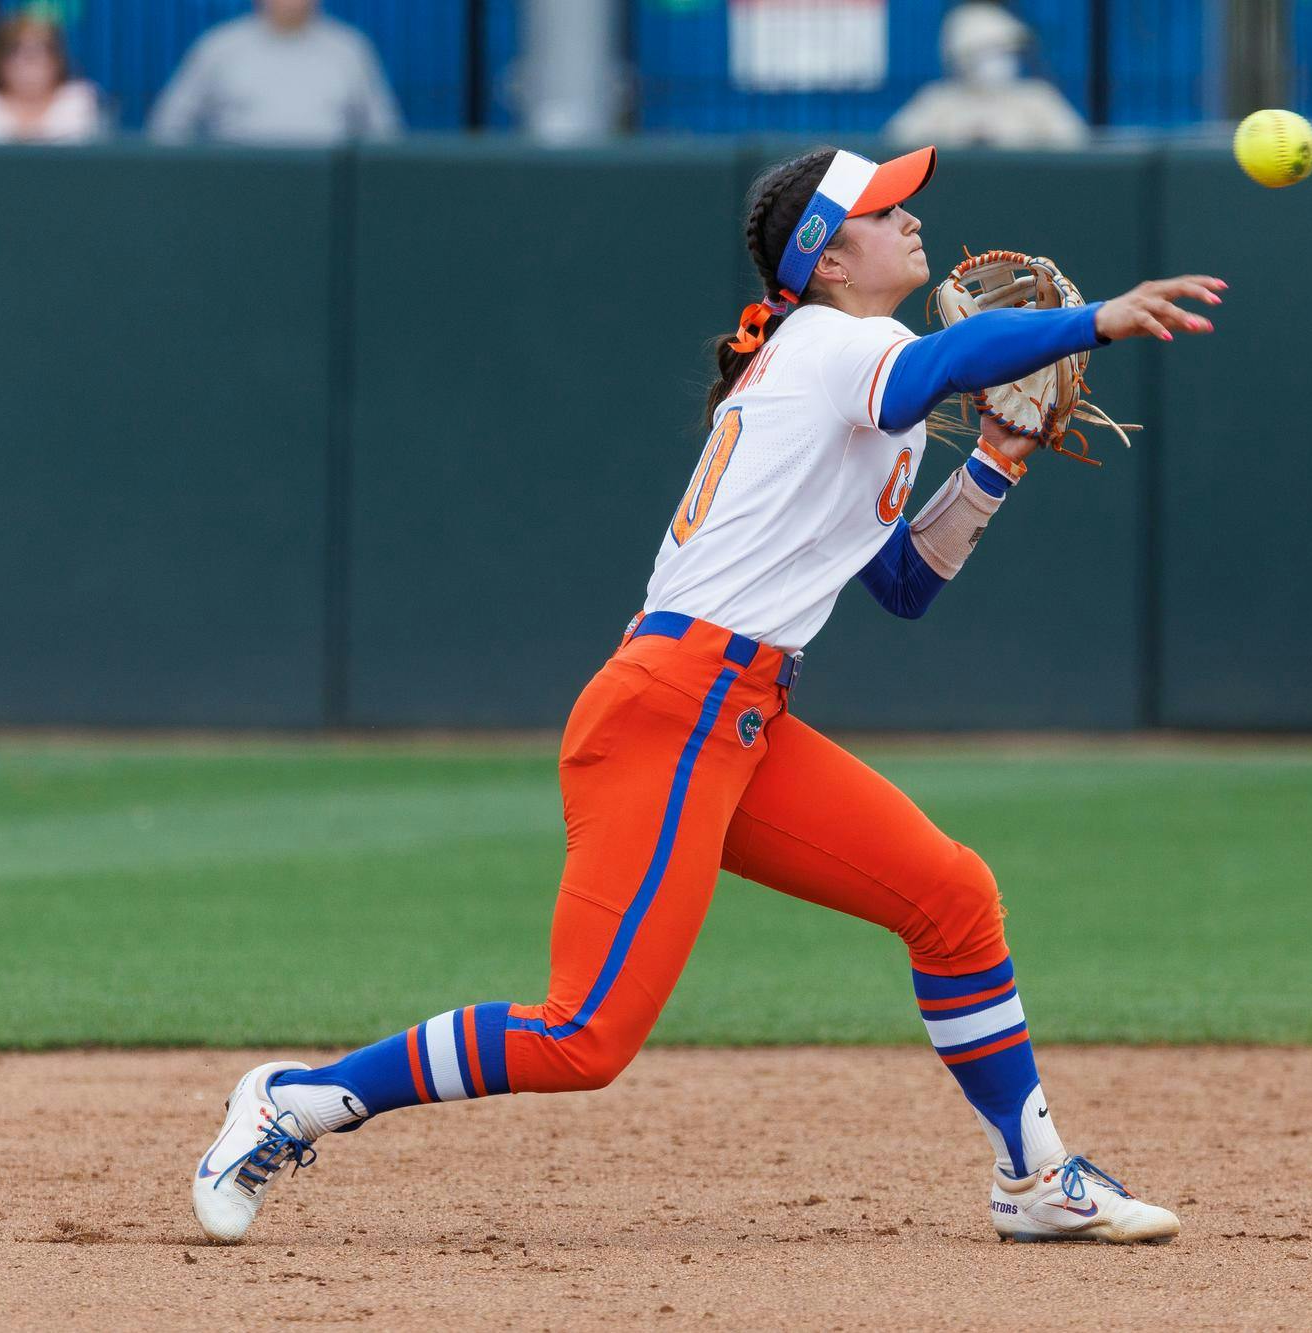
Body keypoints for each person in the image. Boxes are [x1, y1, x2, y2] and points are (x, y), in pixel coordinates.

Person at [192, 145, 1224, 1247]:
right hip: (670, 709)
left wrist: (999, 463)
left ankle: (1033, 1176)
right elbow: (948, 358)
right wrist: (1095, 320)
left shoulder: (851, 373)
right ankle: (294, 1099)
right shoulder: (843, 345)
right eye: (883, 208)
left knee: (952, 900)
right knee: (582, 1037)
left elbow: (902, 582)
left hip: (738, 716)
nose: (913, 217)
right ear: (827, 260)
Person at [147, 0, 401, 145]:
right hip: (235, 188)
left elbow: (384, 133)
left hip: (329, 195)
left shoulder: (349, 49)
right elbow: (168, 127)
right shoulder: (219, 47)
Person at [885, 2, 1089, 149]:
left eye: (1007, 52)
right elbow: (896, 145)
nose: (1002, 61)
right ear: (962, 60)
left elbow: (1075, 146)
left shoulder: (1037, 97)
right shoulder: (938, 100)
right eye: (990, 54)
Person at [0, 14, 101, 144]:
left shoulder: (80, 102)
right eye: (17, 54)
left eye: (40, 54)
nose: (29, 65)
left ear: (57, 61)